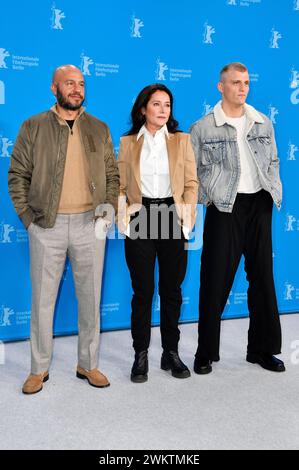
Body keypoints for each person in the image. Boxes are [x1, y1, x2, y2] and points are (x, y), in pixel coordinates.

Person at [8, 65, 119, 394]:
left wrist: (107, 211)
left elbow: (112, 175)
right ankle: (38, 369)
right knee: (42, 300)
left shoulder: (99, 128)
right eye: (69, 83)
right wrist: (29, 219)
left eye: (81, 84)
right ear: (54, 88)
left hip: (90, 225)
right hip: (46, 226)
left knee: (91, 298)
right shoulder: (33, 126)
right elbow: (17, 175)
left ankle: (88, 364)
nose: (77, 89)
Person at [190, 62, 285, 374]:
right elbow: (193, 173)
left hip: (259, 203)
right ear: (221, 86)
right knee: (215, 279)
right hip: (225, 207)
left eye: (246, 82)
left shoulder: (262, 123)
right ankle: (205, 353)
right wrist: (211, 197)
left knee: (262, 277)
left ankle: (261, 350)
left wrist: (272, 190)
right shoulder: (203, 127)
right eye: (235, 83)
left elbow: (272, 159)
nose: (242, 88)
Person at [117, 84, 198, 382]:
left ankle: (170, 353)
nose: (163, 110)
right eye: (156, 104)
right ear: (143, 109)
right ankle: (141, 354)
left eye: (167, 105)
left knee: (171, 291)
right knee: (143, 291)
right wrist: (124, 219)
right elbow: (121, 186)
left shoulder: (181, 141)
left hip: (172, 216)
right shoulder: (127, 143)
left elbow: (191, 183)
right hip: (140, 216)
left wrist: (185, 221)